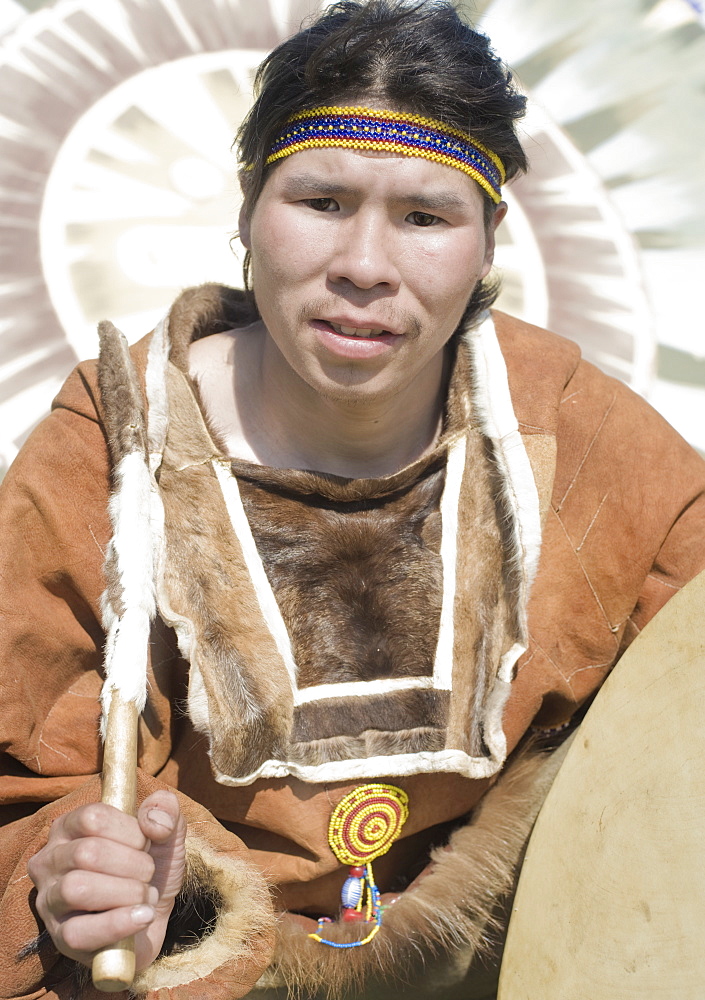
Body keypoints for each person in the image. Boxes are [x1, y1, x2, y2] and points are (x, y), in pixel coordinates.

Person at [1, 2, 704, 998]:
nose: (365, 266)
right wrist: (108, 878)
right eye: (322, 202)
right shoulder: (109, 448)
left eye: (425, 217)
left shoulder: (582, 440)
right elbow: (23, 776)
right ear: (249, 208)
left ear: (488, 239)